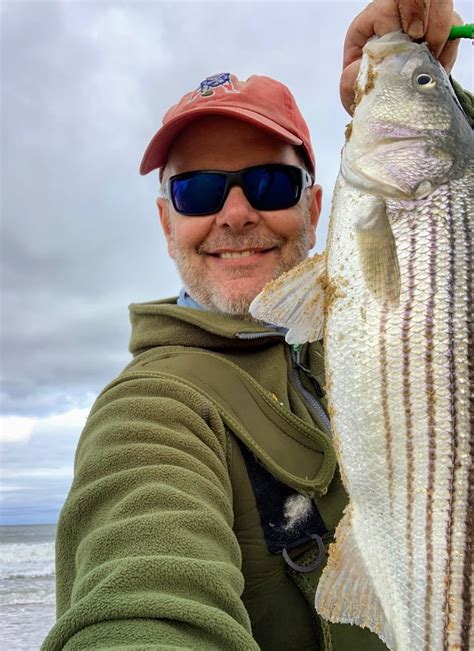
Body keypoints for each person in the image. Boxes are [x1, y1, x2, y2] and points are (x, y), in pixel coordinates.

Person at [42, 1, 471, 649]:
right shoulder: (150, 412)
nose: (236, 213)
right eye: (198, 191)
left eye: (269, 182)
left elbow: (448, 199)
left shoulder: (361, 321)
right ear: (167, 223)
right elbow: (141, 603)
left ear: (315, 205)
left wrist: (423, 85)